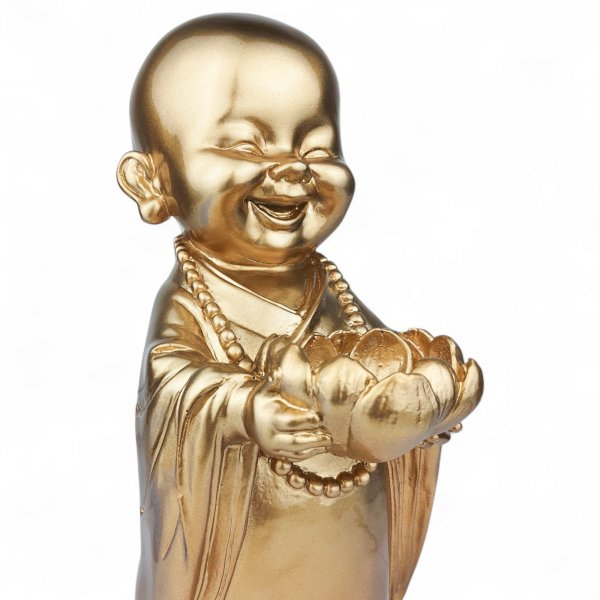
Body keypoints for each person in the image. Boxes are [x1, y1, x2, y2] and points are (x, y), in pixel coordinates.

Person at [117, 14, 482, 600]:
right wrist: (244, 409)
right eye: (244, 145)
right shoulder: (191, 298)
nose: (293, 169)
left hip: (348, 541)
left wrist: (421, 398)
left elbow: (376, 359)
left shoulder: (329, 288)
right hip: (240, 553)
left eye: (318, 148)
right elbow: (172, 385)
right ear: (150, 182)